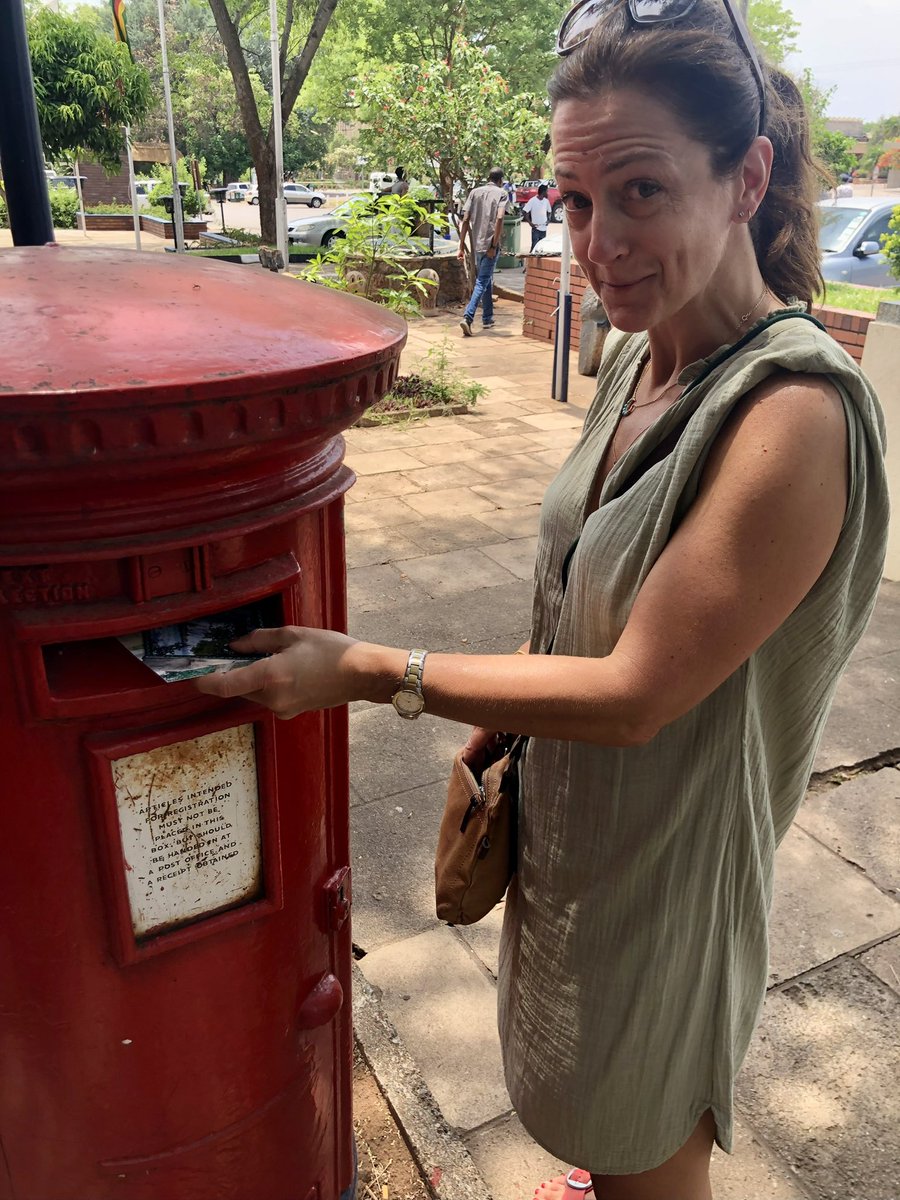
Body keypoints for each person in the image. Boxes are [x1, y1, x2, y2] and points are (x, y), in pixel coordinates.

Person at [196, 2, 889, 1196]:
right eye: (572, 201)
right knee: (591, 1113)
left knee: (644, 1136)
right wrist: (504, 702)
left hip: (667, 871)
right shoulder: (638, 352)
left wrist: (377, 672)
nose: (596, 242)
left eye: (640, 191)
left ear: (746, 177)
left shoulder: (795, 416)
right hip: (577, 840)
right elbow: (585, 586)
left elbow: (634, 693)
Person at [456, 166, 508, 335]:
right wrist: (493, 245)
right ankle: (468, 318)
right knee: (482, 281)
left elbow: (465, 219)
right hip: (490, 246)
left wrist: (461, 245)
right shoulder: (502, 193)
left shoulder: (474, 192)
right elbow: (500, 217)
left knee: (485, 279)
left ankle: (487, 318)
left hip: (476, 244)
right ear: (500, 181)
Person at [523, 182, 553, 250]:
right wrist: (530, 223)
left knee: (541, 247)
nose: (547, 193)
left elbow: (549, 212)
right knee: (534, 247)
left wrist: (548, 220)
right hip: (536, 228)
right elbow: (525, 212)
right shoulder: (533, 200)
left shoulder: (546, 201)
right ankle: (531, 259)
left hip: (544, 228)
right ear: (543, 192)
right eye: (546, 191)